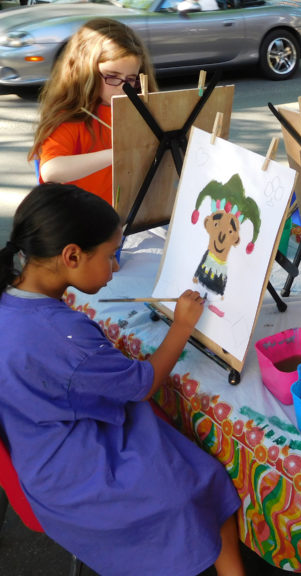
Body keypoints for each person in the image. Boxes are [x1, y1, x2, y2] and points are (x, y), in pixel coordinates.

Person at [0, 184, 245, 576]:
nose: (115, 267)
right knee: (201, 482)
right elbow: (143, 384)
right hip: (73, 476)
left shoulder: (10, 300)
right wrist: (181, 326)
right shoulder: (63, 336)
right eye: (111, 256)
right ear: (72, 255)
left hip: (37, 452)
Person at [28, 18, 158, 206]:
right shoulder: (70, 116)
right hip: (83, 219)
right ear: (85, 72)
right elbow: (51, 170)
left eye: (130, 79)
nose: (123, 88)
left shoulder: (134, 110)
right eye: (112, 77)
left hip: (125, 213)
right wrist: (116, 153)